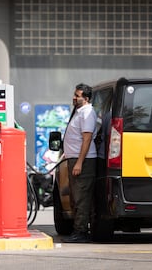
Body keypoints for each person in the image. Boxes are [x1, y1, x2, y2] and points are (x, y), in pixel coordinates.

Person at [62, 83, 97, 243]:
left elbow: (87, 138)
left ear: (86, 99)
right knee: (76, 197)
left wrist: (79, 163)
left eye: (78, 96)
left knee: (81, 197)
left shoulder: (88, 112)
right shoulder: (79, 112)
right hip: (74, 158)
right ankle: (78, 230)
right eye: (74, 94)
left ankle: (81, 232)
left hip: (83, 160)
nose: (74, 98)